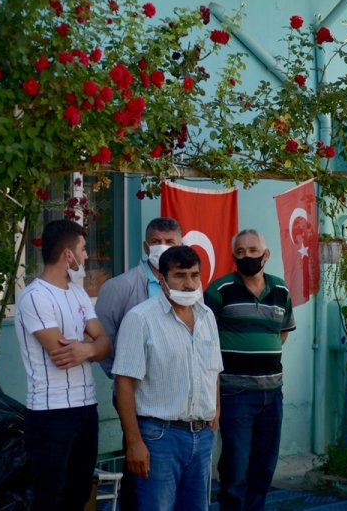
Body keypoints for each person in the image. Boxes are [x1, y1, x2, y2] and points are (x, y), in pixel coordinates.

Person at [112, 246, 223, 511]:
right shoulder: (140, 319)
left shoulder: (207, 316)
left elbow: (214, 369)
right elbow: (124, 384)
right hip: (159, 437)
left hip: (202, 435)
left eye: (194, 275)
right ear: (162, 280)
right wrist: (134, 442)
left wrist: (215, 409)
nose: (188, 283)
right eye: (180, 275)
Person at [14, 219, 112, 510]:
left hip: (86, 407)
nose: (86, 256)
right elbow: (62, 354)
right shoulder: (34, 296)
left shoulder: (79, 293)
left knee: (79, 494)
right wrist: (90, 345)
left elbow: (105, 344)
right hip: (50, 413)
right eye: (82, 249)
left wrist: (87, 347)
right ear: (67, 254)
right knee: (49, 497)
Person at [204, 229, 295, 511]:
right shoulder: (219, 290)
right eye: (240, 252)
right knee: (235, 470)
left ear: (265, 255)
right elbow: (205, 339)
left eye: (253, 250)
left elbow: (281, 333)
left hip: (272, 393)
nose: (247, 256)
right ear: (234, 257)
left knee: (264, 469)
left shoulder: (281, 290)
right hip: (235, 394)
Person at [95, 216, 182, 510]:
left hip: (176, 400)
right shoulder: (119, 287)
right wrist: (125, 381)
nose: (163, 247)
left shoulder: (186, 287)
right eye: (156, 241)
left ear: (180, 245)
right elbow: (104, 344)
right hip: (136, 398)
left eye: (170, 242)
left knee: (172, 479)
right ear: (146, 245)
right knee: (139, 472)